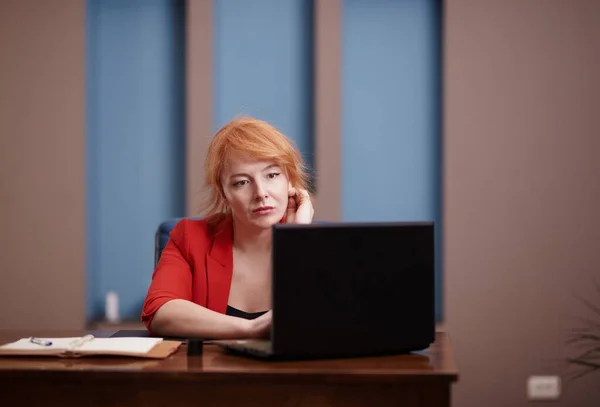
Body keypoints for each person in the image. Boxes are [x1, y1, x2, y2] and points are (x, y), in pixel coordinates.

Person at [141, 117, 314, 339]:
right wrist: (251, 329)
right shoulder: (190, 238)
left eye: (272, 175)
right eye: (241, 182)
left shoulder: (317, 241)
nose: (261, 192)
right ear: (224, 195)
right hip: (212, 372)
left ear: (290, 181)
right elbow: (159, 311)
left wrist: (298, 240)